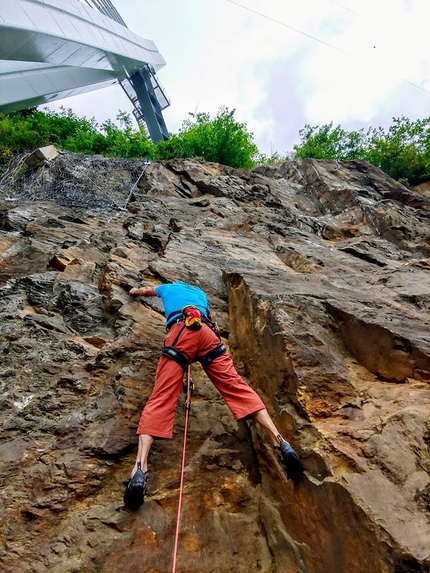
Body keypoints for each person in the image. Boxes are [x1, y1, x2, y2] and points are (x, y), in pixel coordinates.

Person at [123, 280, 303, 510]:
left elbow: (147, 291)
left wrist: (134, 290)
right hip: (207, 334)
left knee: (161, 398)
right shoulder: (199, 293)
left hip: (181, 334)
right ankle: (280, 441)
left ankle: (140, 468)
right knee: (237, 387)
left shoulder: (167, 288)